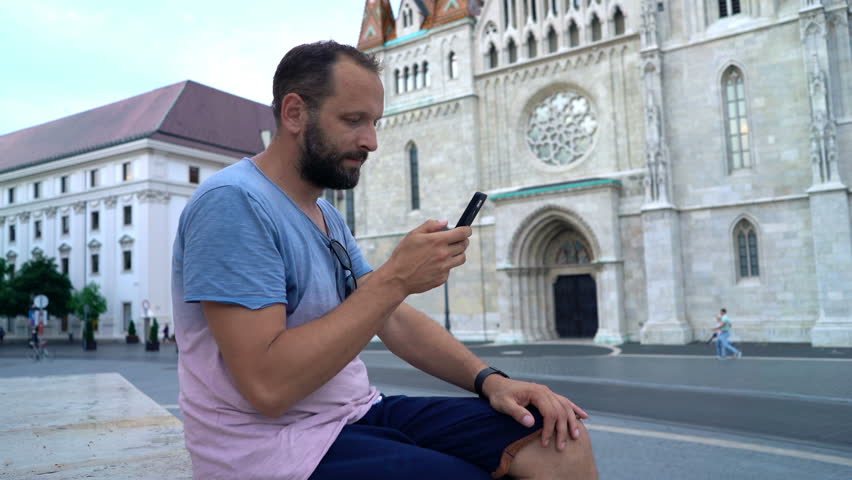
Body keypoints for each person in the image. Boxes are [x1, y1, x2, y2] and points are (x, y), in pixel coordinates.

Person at [172, 41, 597, 480]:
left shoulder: (325, 215)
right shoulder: (233, 203)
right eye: (353, 120)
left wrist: (490, 380)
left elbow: (390, 317)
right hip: (272, 447)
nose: (371, 142)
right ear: (295, 113)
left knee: (560, 438)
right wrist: (397, 278)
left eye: (374, 122)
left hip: (356, 413)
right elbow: (268, 386)